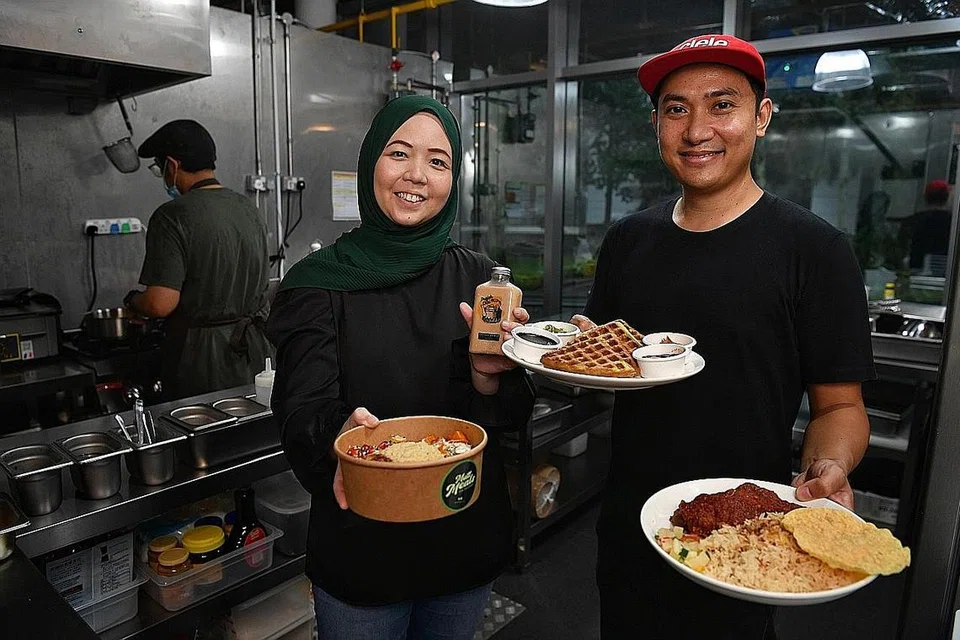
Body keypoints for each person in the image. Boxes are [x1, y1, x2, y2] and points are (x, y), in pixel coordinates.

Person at [572, 35, 875, 638]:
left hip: (745, 533)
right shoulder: (629, 240)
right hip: (630, 523)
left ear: (761, 117)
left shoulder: (813, 250)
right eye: (677, 109)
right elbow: (605, 366)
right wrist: (556, 352)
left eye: (721, 105)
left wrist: (829, 466)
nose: (697, 130)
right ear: (656, 124)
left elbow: (840, 407)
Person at [266, 95, 535, 640]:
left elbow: (510, 418)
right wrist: (338, 437)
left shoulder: (482, 280)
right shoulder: (317, 283)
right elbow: (300, 413)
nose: (417, 175)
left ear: (453, 178)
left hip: (463, 536)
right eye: (399, 153)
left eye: (438, 161)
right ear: (371, 164)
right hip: (364, 547)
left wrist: (490, 376)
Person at [124, 119, 273, 400]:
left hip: (203, 360)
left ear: (172, 165)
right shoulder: (247, 207)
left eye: (159, 168)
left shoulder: (172, 215)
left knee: (206, 438)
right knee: (255, 434)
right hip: (256, 352)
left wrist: (133, 301)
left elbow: (160, 302)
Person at [900, 179, 952, 272]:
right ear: (947, 198)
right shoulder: (954, 223)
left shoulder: (911, 222)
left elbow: (901, 252)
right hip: (947, 276)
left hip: (914, 276)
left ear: (925, 197)